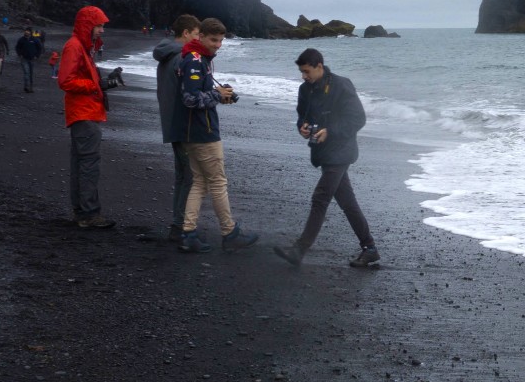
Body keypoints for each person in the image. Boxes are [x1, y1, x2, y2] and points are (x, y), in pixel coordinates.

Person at [274, 47, 379, 269]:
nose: (304, 76)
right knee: (347, 202)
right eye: (301, 72)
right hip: (322, 151)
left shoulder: (341, 85)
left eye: (307, 71)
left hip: (341, 150)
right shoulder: (305, 90)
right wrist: (301, 127)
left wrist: (329, 130)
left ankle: (299, 250)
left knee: (320, 198)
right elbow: (301, 116)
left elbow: (358, 119)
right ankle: (369, 248)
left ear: (319, 66)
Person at [175, 17, 260, 254]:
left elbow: (198, 94)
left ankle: (188, 232)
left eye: (221, 40)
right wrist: (216, 95)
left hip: (195, 131)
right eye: (214, 40)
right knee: (218, 181)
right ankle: (229, 232)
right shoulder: (194, 61)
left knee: (201, 182)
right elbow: (190, 99)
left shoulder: (198, 59)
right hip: (202, 132)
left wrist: (219, 95)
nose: (218, 45)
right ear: (200, 36)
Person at [56, 5, 116, 228]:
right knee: (88, 163)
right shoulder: (74, 46)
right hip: (83, 112)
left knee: (81, 162)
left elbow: (80, 79)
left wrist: (103, 83)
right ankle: (89, 214)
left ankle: (82, 212)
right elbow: (65, 81)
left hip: (85, 110)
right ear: (87, 25)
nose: (102, 30)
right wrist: (95, 85)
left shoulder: (83, 47)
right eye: (98, 25)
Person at [152, 14, 201, 242]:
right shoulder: (181, 57)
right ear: (186, 33)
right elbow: (189, 94)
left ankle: (178, 224)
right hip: (182, 123)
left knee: (183, 175)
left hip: (171, 121)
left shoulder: (166, 54)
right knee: (189, 176)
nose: (199, 38)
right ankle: (180, 227)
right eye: (196, 34)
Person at [15, 25, 43, 92]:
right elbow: (17, 47)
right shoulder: (21, 39)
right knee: (26, 72)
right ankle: (26, 86)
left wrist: (37, 56)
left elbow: (40, 48)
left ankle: (31, 87)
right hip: (24, 59)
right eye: (25, 31)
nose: (26, 32)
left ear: (30, 32)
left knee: (31, 73)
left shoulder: (35, 40)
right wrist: (19, 54)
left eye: (28, 31)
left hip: (32, 59)